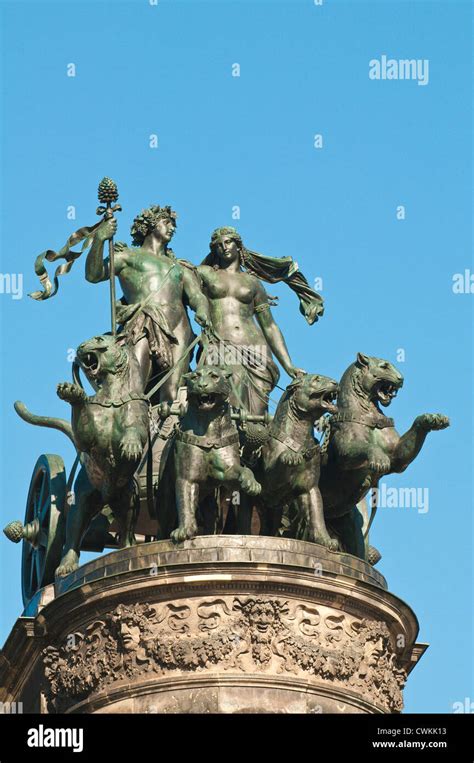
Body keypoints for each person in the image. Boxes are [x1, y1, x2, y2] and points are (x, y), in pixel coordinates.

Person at [86, 204, 210, 403]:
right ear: (151, 224)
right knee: (133, 387)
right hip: (142, 324)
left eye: (174, 225)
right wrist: (99, 240)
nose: (172, 228)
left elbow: (196, 296)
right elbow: (93, 275)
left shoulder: (178, 267)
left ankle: (168, 430)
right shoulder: (128, 257)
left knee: (173, 390)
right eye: (167, 222)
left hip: (179, 327)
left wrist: (202, 310)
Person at [197, 226, 323, 415]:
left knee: (257, 412)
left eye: (228, 242)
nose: (224, 247)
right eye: (218, 245)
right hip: (220, 345)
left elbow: (269, 326)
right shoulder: (204, 274)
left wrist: (288, 365)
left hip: (255, 350)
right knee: (231, 393)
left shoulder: (254, 283)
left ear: (238, 246)